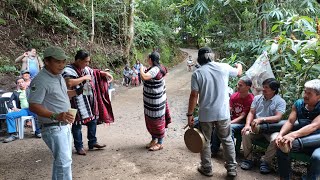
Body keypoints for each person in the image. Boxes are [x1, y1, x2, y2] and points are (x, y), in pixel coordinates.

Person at [187, 47, 242, 177]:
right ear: (212, 56)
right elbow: (239, 73)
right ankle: (232, 169)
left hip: (206, 114)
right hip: (223, 113)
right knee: (227, 139)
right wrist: (239, 65)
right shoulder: (223, 67)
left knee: (205, 141)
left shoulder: (197, 73)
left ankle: (207, 168)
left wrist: (189, 114)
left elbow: (194, 95)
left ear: (199, 58)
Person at [28, 46, 74, 180]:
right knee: (63, 162)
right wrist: (56, 115)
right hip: (53, 126)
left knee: (63, 161)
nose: (61, 65)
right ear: (47, 61)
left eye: (63, 61)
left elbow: (59, 95)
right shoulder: (41, 80)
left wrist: (77, 92)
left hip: (63, 124)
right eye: (57, 61)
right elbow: (33, 106)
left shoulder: (58, 76)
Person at [62, 50, 114, 156]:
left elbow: (94, 72)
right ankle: (79, 146)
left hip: (88, 101)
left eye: (88, 62)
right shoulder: (68, 70)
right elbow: (69, 82)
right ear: (78, 60)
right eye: (86, 62)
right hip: (74, 101)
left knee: (93, 120)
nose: (87, 64)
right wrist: (84, 78)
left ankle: (92, 142)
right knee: (76, 124)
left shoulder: (85, 68)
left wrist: (103, 73)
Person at [276, 79, 320, 180]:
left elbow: (314, 126)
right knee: (282, 145)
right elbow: (290, 122)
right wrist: (280, 134)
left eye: (309, 93)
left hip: (317, 141)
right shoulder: (299, 104)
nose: (305, 95)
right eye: (305, 92)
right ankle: (285, 178)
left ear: (319, 96)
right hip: (303, 139)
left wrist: (292, 135)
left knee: (317, 157)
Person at [240, 78, 286, 174]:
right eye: (263, 86)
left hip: (272, 129)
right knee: (246, 133)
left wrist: (262, 119)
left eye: (266, 87)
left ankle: (266, 162)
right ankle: (249, 159)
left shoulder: (280, 101)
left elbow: (278, 117)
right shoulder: (257, 98)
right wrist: (247, 124)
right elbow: (251, 112)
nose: (263, 89)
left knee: (276, 139)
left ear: (273, 90)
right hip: (256, 128)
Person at [211, 77, 254, 155]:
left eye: (241, 85)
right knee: (218, 125)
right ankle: (214, 149)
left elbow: (242, 116)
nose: (238, 86)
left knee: (229, 128)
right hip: (234, 120)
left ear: (248, 87)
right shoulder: (234, 96)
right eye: (238, 84)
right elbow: (228, 109)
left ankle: (231, 153)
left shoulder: (251, 99)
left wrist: (229, 123)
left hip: (244, 123)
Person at [140, 51, 171, 151]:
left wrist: (141, 70)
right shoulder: (160, 68)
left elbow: (144, 77)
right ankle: (154, 140)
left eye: (148, 58)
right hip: (152, 102)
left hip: (155, 103)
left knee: (157, 122)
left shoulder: (155, 70)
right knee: (151, 121)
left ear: (151, 60)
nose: (147, 60)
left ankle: (160, 143)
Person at [3, 77, 41, 143]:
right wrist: (13, 108)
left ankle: (38, 132)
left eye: (22, 82)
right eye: (18, 83)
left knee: (37, 114)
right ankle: (13, 135)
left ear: (25, 82)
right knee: (9, 116)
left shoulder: (31, 89)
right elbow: (9, 102)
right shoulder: (16, 93)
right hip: (24, 110)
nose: (20, 84)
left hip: (33, 108)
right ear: (17, 85)